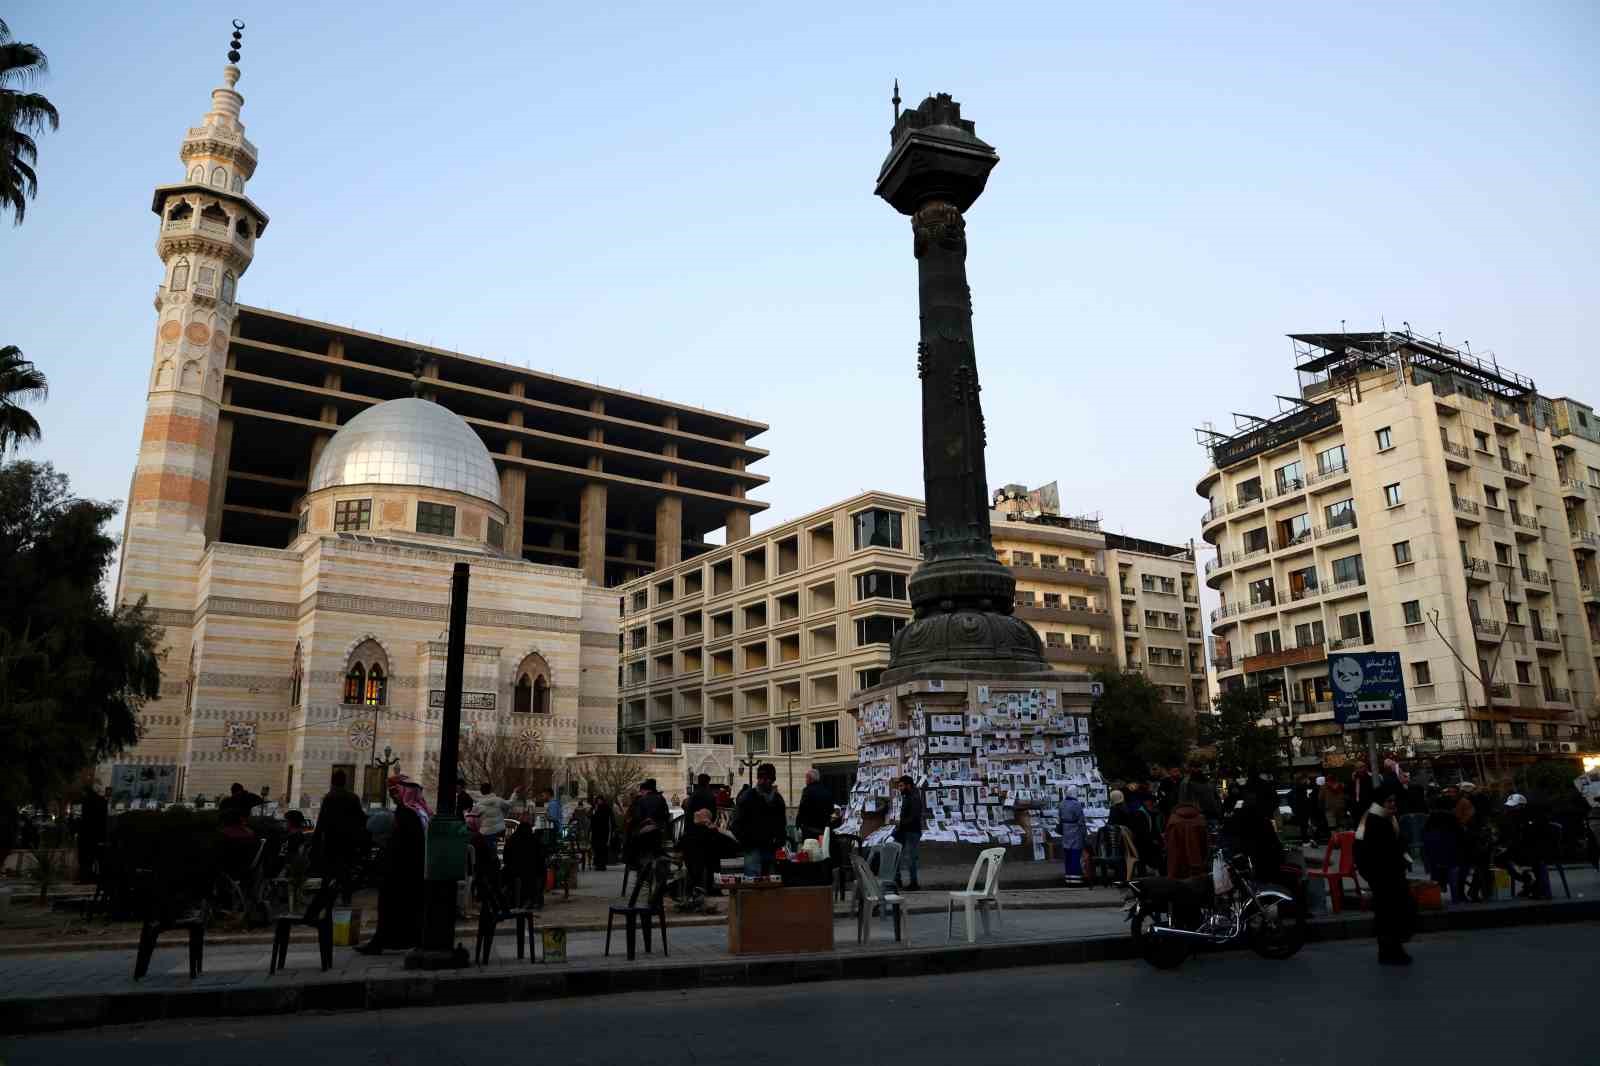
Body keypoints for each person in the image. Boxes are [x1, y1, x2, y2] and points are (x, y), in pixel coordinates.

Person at [358, 775, 429, 954]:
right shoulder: (418, 811)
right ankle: (398, 941)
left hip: (402, 868)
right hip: (411, 867)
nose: (393, 796)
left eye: (396, 792)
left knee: (390, 906)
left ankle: (382, 942)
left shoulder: (407, 813)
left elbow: (402, 844)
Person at [1354, 782, 1414, 965]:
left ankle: (1390, 950)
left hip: (1386, 874)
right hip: (1384, 876)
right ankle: (1392, 951)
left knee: (1388, 913)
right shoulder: (1377, 821)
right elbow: (1384, 850)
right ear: (1380, 802)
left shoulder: (1382, 818)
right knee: (1390, 914)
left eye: (1393, 801)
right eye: (1389, 801)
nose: (1392, 804)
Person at [313, 769, 369, 903]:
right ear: (345, 782)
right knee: (346, 872)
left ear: (333, 781)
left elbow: (322, 821)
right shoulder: (353, 797)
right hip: (348, 841)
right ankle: (346, 898)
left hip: (331, 841)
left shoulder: (329, 797)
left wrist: (316, 839)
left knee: (328, 873)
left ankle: (325, 899)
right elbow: (361, 819)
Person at [734, 764, 787, 878]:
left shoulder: (777, 800)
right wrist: (747, 842)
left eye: (767, 778)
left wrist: (779, 841)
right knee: (753, 883)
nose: (763, 781)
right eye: (761, 778)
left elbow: (782, 824)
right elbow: (736, 824)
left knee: (770, 884)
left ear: (772, 780)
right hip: (753, 848)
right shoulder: (748, 797)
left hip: (770, 848)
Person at [1496, 794, 1551, 900]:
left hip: (1534, 850)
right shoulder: (1513, 817)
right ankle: (1528, 882)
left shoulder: (1533, 817)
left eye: (1514, 806)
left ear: (1522, 805)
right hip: (1522, 849)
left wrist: (1508, 847)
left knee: (1503, 858)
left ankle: (1533, 885)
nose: (1511, 809)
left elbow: (1529, 837)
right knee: (1498, 859)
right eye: (1510, 807)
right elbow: (1510, 835)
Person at [680, 807, 742, 896]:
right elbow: (735, 846)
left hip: (696, 875)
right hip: (711, 877)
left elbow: (678, 850)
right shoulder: (717, 834)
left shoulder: (688, 835)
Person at [1165, 779, 1210, 878]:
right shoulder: (1200, 820)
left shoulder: (1173, 820)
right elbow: (1205, 847)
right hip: (1197, 870)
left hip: (1177, 871)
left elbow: (1169, 847)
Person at [501, 818, 546, 908]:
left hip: (514, 871)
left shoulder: (512, 839)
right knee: (541, 872)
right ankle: (535, 899)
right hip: (532, 871)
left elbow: (506, 858)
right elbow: (541, 857)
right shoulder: (535, 840)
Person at [626, 779, 671, 868]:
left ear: (645, 790)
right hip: (658, 831)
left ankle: (635, 864)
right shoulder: (661, 798)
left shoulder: (642, 800)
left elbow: (637, 817)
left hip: (644, 832)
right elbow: (666, 815)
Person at [891, 775, 923, 890]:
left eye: (901, 786)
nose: (899, 788)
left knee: (911, 858)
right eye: (899, 786)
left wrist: (901, 823)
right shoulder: (907, 796)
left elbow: (914, 817)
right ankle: (897, 880)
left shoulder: (914, 797)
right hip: (904, 831)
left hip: (912, 832)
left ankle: (913, 883)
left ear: (908, 785)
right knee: (897, 855)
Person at [76, 782, 108, 884]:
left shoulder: (86, 801)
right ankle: (99, 878)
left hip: (86, 835)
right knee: (98, 859)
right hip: (98, 835)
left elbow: (85, 819)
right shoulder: (102, 801)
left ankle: (85, 878)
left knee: (85, 859)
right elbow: (104, 820)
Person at [473, 782, 516, 854]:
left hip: (485, 832)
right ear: (490, 790)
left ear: (481, 792)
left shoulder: (478, 804)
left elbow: (474, 817)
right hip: (498, 830)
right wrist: (515, 793)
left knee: (485, 850)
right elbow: (509, 804)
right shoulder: (497, 800)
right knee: (492, 850)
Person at [1058, 786, 1086, 887]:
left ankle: (1068, 878)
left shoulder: (1061, 804)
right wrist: (1084, 834)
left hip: (1066, 831)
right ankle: (1076, 880)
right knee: (1075, 855)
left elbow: (1060, 819)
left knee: (1068, 856)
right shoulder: (1076, 804)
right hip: (1075, 831)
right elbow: (1081, 821)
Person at [797, 769, 834, 840]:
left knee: (810, 849)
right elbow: (831, 810)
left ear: (810, 779)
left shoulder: (807, 791)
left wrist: (798, 825)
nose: (805, 780)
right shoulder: (826, 790)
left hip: (809, 830)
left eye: (806, 778)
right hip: (823, 829)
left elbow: (802, 809)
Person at [589, 795, 613, 871]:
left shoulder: (606, 808)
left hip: (603, 831)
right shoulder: (594, 808)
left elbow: (610, 819)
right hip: (596, 831)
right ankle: (597, 864)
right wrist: (594, 811)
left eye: (600, 800)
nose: (599, 802)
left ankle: (602, 864)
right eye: (598, 800)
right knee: (596, 848)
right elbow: (590, 817)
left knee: (603, 848)